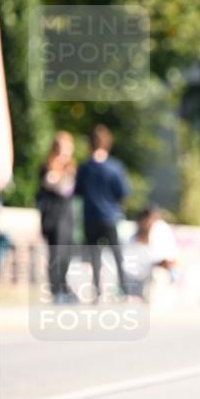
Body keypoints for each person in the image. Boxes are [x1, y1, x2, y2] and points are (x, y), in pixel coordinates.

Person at [74, 125, 130, 302]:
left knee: (94, 257)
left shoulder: (84, 167)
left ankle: (97, 292)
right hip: (110, 217)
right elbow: (123, 192)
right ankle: (125, 291)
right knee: (117, 254)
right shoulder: (114, 167)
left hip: (91, 217)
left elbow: (77, 191)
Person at [36, 131, 77, 303]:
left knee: (66, 252)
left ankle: (64, 285)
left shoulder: (71, 166)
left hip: (66, 212)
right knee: (56, 252)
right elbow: (52, 185)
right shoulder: (48, 164)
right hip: (53, 213)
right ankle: (55, 289)